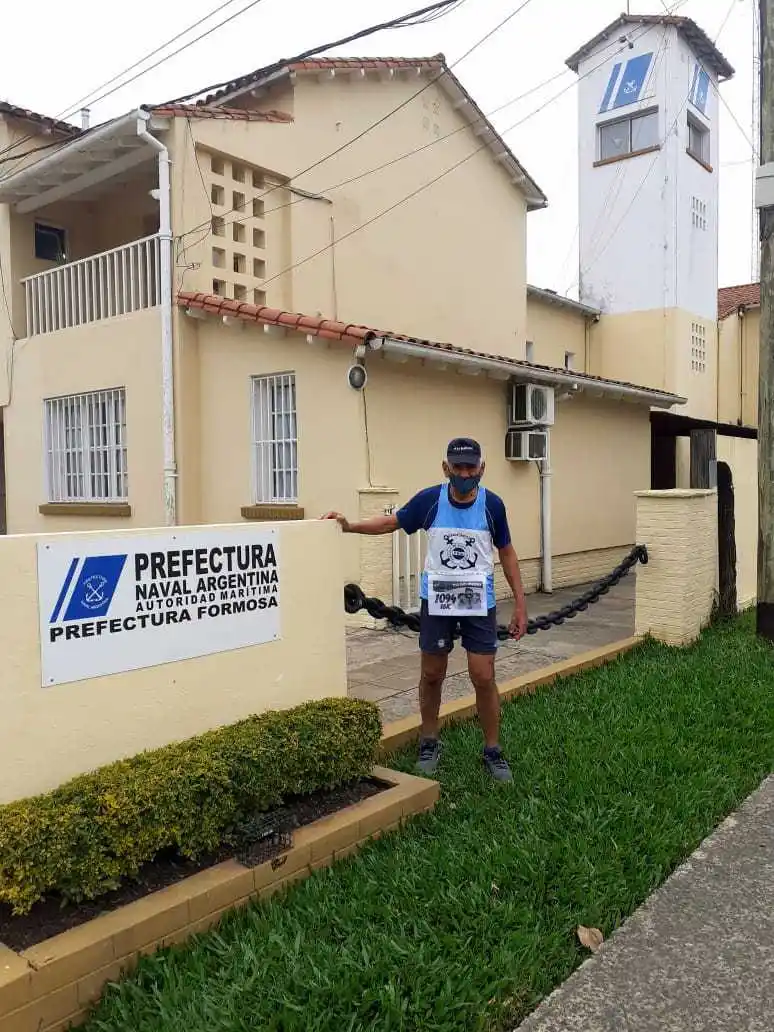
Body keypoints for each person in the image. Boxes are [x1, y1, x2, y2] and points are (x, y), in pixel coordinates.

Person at [322, 437, 528, 782]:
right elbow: (391, 523)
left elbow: (506, 552)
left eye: (471, 467)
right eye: (458, 467)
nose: (465, 473)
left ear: (482, 469)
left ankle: (493, 749)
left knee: (483, 675)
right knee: (432, 674)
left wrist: (521, 603)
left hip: (479, 602)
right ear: (445, 468)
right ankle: (429, 740)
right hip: (438, 600)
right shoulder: (430, 500)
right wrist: (349, 525)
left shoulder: (493, 505)